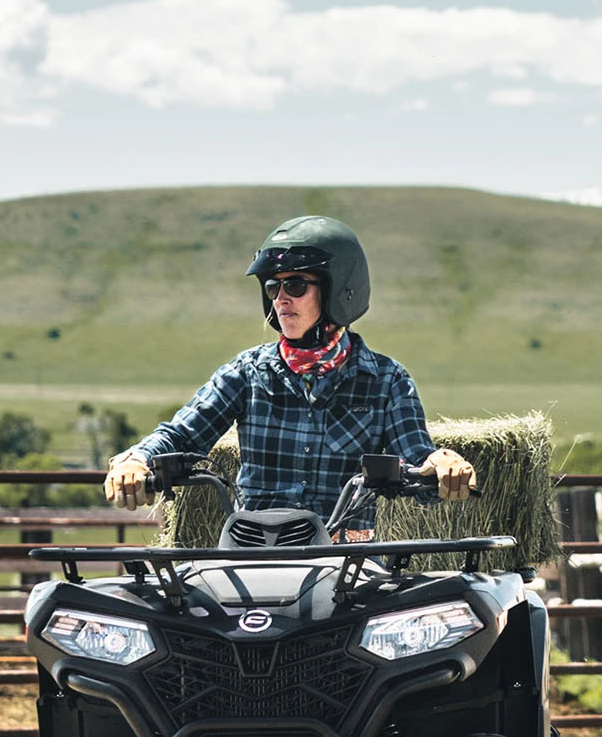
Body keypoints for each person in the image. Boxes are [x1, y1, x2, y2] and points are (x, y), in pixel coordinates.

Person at [103, 215, 474, 534]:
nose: (281, 299)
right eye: (272, 287)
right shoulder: (248, 373)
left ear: (338, 290)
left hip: (347, 561)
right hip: (253, 549)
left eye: (295, 285)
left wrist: (441, 466)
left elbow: (416, 457)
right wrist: (137, 459)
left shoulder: (386, 379)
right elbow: (182, 434)